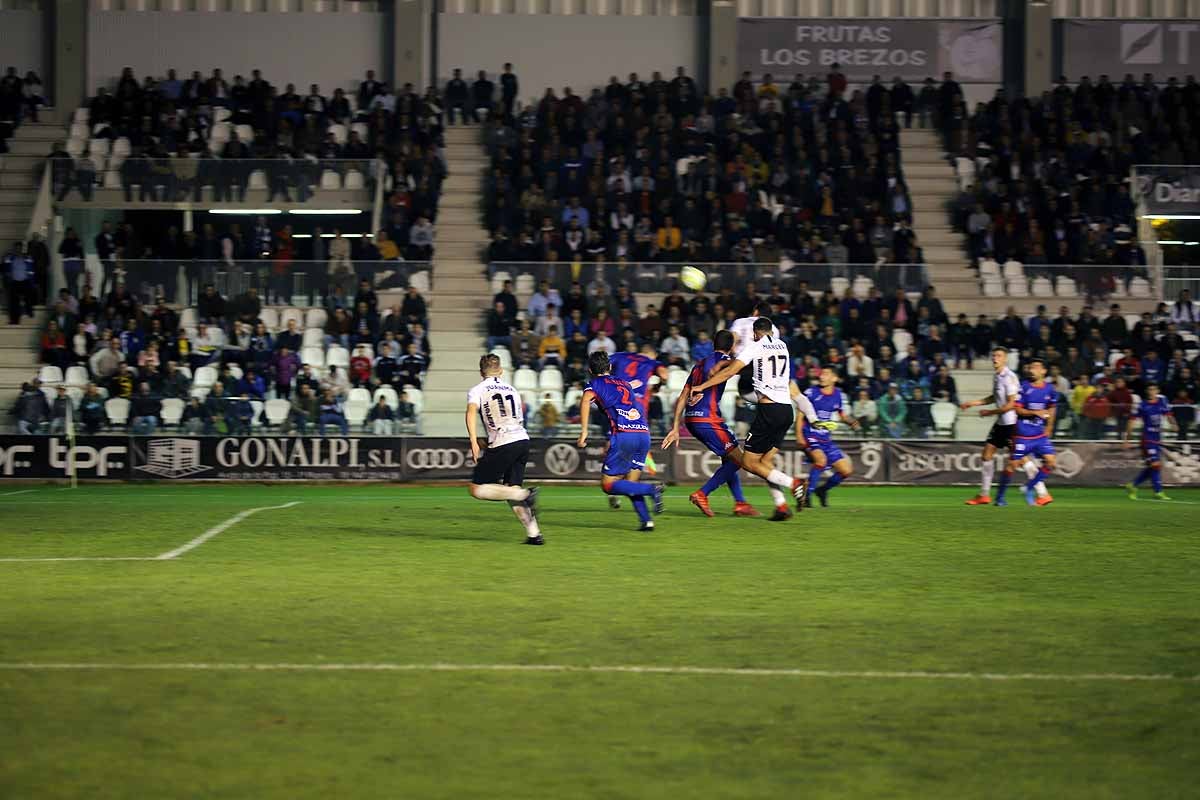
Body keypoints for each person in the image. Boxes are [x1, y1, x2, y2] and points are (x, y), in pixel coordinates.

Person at [689, 317, 822, 520]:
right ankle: (781, 506)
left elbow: (732, 372)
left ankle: (793, 483)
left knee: (749, 462)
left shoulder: (756, 346)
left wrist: (702, 386)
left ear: (755, 333)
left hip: (769, 411)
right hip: (787, 411)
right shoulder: (783, 346)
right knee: (765, 462)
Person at [662, 329, 759, 518]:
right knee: (741, 461)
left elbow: (683, 395)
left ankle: (740, 503)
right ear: (731, 346)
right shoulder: (725, 361)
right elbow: (737, 366)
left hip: (691, 419)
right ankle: (702, 494)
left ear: (713, 344)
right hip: (708, 419)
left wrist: (675, 427)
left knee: (729, 459)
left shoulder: (699, 365)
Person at [578, 350, 664, 531]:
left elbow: (586, 401)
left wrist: (584, 431)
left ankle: (652, 490)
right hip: (643, 433)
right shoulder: (625, 384)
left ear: (590, 370)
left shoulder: (594, 383)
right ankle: (646, 521)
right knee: (630, 484)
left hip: (624, 434)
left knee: (608, 485)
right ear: (610, 367)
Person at [464, 353, 542, 545]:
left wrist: (473, 441)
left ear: (481, 372)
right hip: (522, 439)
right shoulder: (512, 389)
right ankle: (534, 535)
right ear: (500, 370)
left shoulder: (478, 389)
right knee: (510, 488)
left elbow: (471, 412)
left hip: (504, 441)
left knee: (476, 488)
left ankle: (525, 494)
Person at [959, 347, 1020, 506]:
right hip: (1001, 423)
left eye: (999, 356)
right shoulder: (997, 376)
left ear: (1005, 359)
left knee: (1020, 459)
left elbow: (1012, 404)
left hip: (1011, 424)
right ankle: (984, 495)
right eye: (993, 355)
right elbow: (994, 397)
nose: (995, 358)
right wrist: (973, 403)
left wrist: (990, 412)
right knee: (986, 455)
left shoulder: (1010, 377)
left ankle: (1041, 492)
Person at [995, 358, 1057, 508]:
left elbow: (1052, 408)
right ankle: (1000, 497)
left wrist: (1049, 427)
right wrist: (1035, 413)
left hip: (1040, 436)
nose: (1031, 370)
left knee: (1051, 462)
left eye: (1035, 367)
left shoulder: (1050, 389)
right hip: (1023, 435)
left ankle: (1029, 487)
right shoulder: (1023, 387)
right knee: (1012, 466)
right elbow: (1017, 409)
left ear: (1043, 371)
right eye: (1030, 367)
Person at [798, 365, 860, 507]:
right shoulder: (811, 392)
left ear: (834, 378)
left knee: (846, 470)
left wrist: (850, 422)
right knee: (821, 461)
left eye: (826, 374)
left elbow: (841, 413)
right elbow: (800, 414)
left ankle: (822, 490)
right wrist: (799, 436)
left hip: (825, 438)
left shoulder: (837, 394)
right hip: (810, 435)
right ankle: (807, 496)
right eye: (822, 373)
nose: (821, 376)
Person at [1123, 383, 1174, 501]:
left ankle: (1133, 485)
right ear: (1147, 391)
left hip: (1156, 440)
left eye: (1154, 389)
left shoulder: (1162, 403)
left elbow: (1169, 415)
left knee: (1153, 466)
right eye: (1150, 390)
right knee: (1155, 464)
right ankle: (1158, 491)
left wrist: (1173, 424)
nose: (1152, 392)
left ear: (1158, 391)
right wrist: (1127, 439)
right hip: (1147, 440)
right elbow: (1131, 421)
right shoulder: (1142, 405)